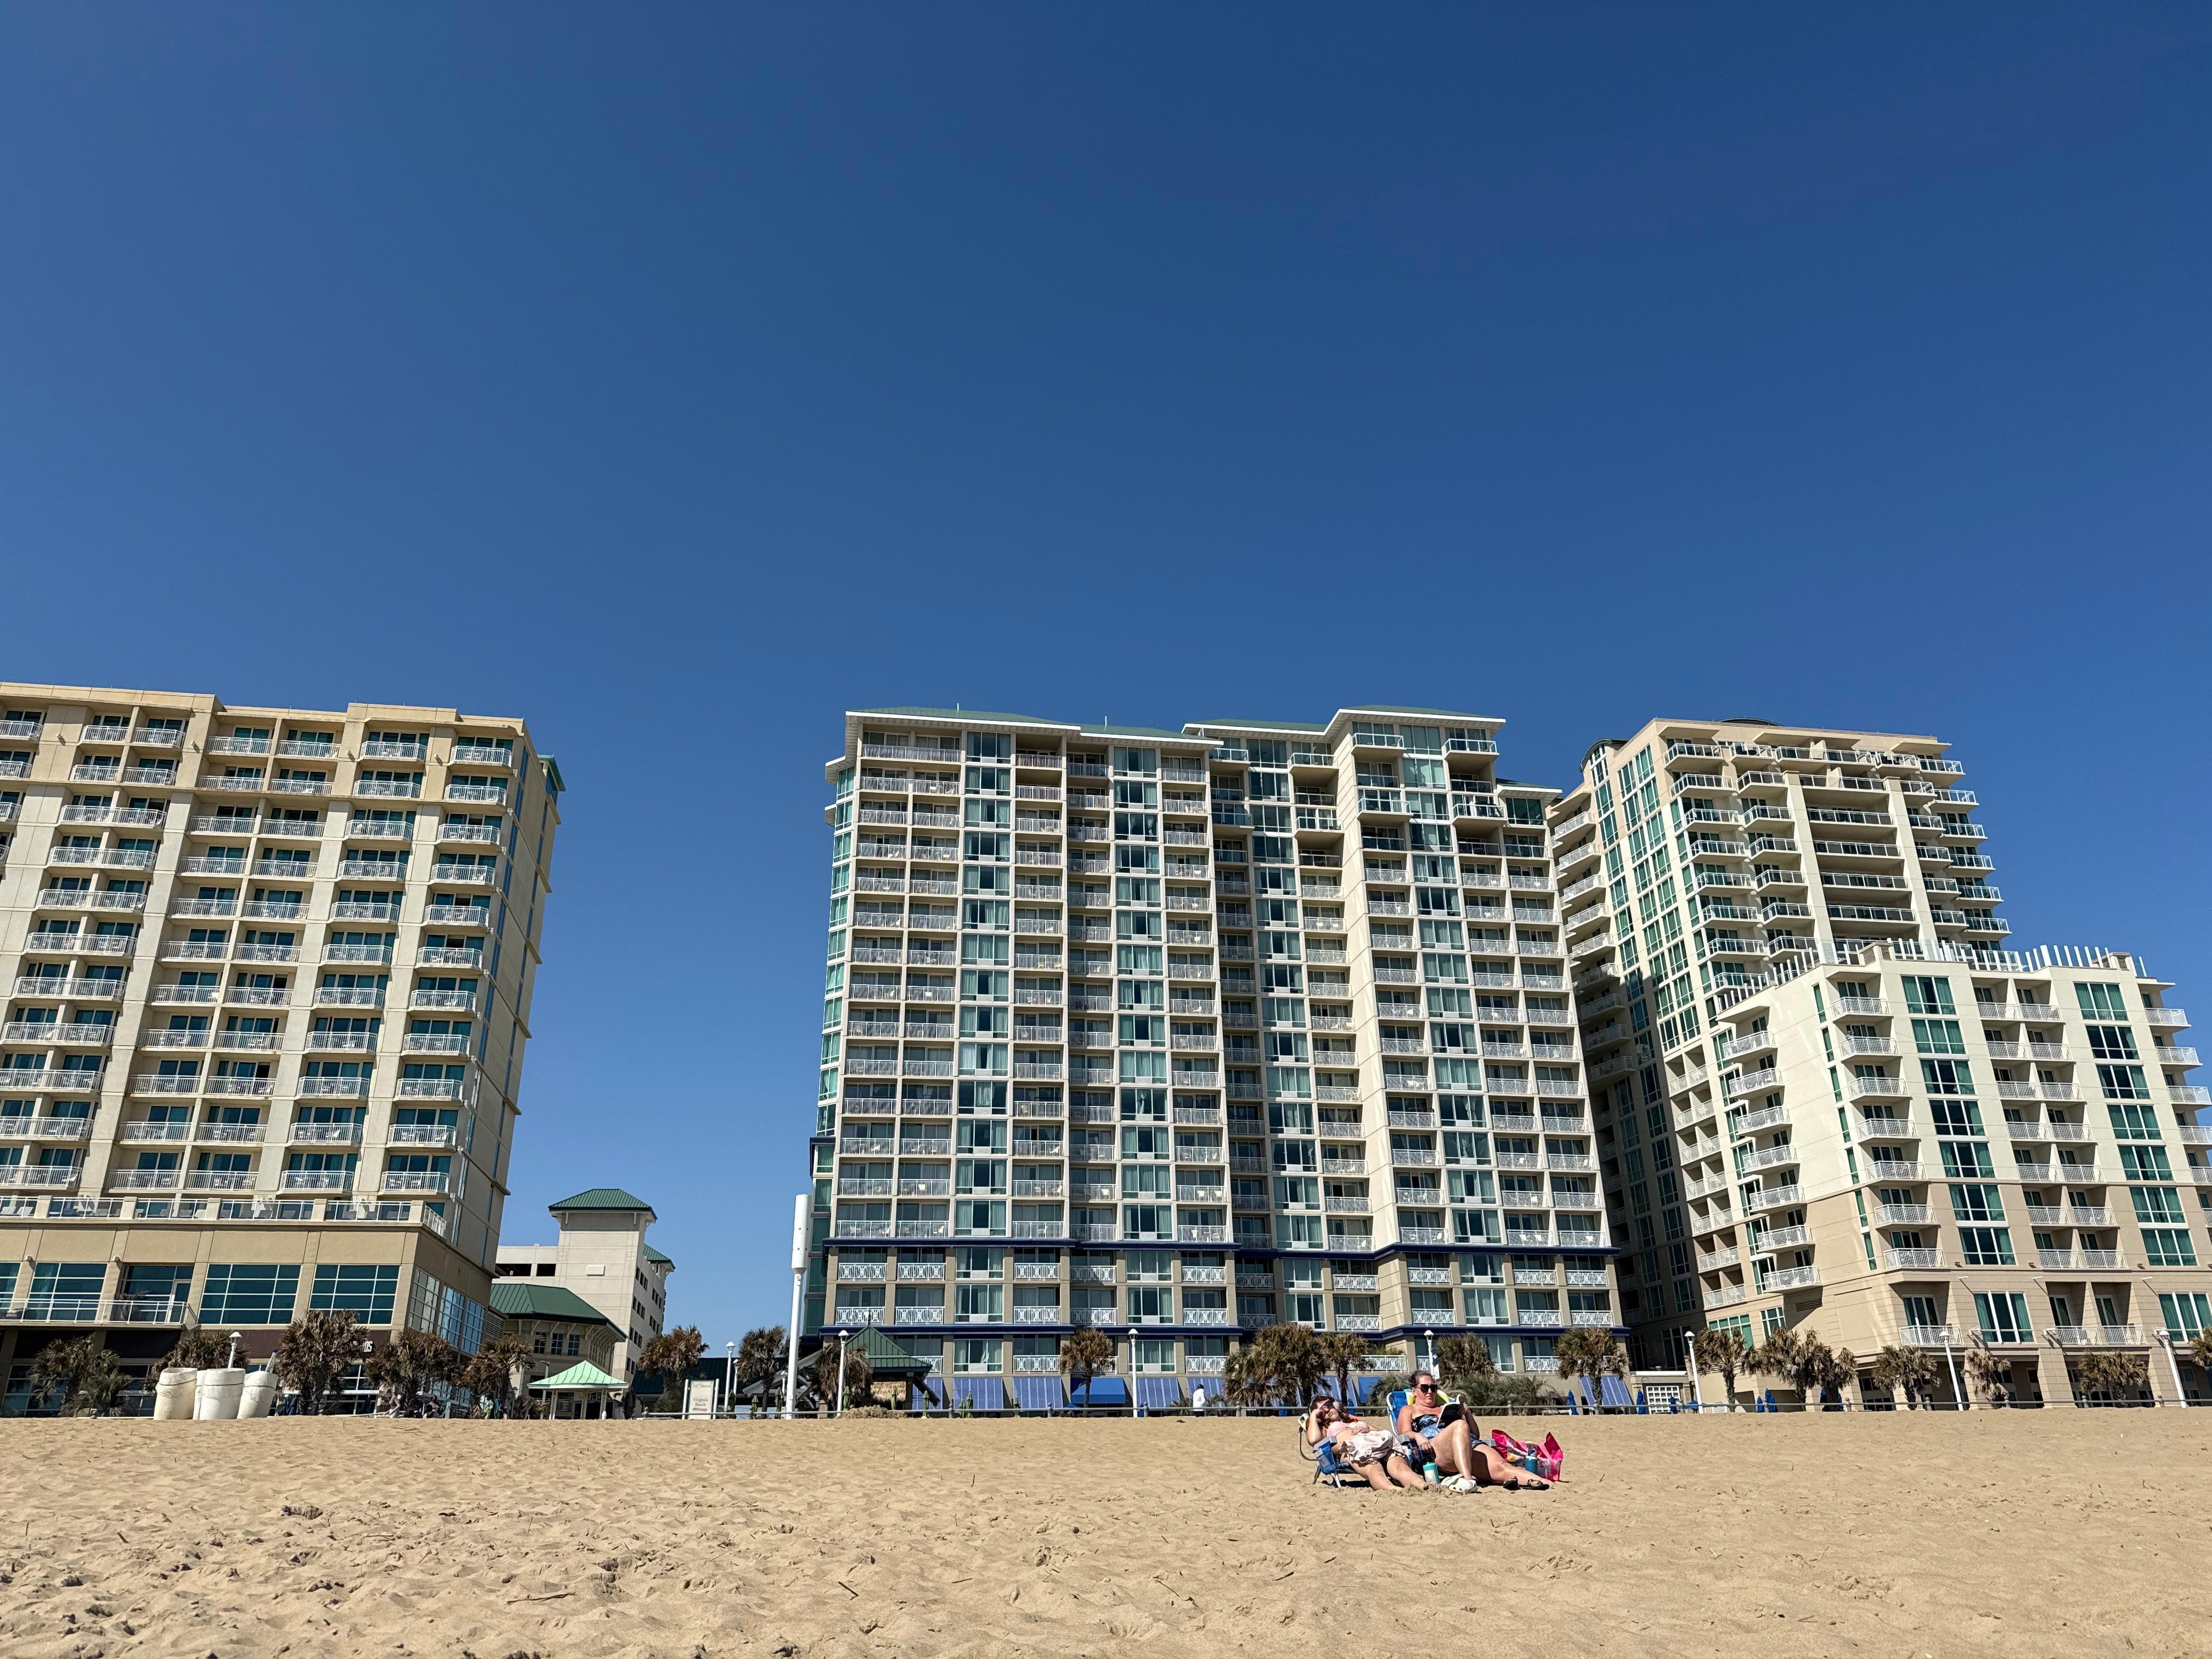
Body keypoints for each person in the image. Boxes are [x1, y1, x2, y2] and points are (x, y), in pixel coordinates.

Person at [1392, 1372, 1550, 1490]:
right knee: (1459, 1426)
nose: (1430, 1392)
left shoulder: (1444, 1408)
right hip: (1436, 1449)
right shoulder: (1409, 1410)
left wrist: (1467, 1413)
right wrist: (1419, 1436)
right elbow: (1404, 1433)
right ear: (1414, 1391)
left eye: (1433, 1388)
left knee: (1503, 1467)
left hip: (1468, 1445)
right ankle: (1468, 1479)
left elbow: (1475, 1435)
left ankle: (1547, 1483)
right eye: (1425, 1388)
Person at [1306, 1395, 1427, 1492]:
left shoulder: (1353, 1421)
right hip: (1354, 1449)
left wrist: (1366, 1430)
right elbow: (1313, 1440)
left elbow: (1379, 1432)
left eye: (1328, 1404)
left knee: (1400, 1467)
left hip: (1379, 1444)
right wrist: (1313, 1416)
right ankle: (1392, 1489)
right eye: (1322, 1409)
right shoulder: (1325, 1429)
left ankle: (1422, 1486)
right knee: (1374, 1469)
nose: (1327, 1409)